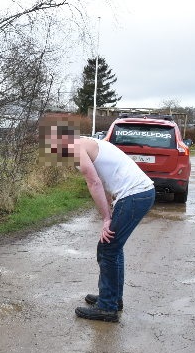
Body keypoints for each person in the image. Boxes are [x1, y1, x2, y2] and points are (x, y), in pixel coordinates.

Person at [48, 122, 155, 322]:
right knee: (113, 247)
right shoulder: (87, 144)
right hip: (139, 194)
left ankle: (107, 307)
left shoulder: (76, 148)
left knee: (108, 248)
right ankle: (113, 298)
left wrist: (106, 218)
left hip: (135, 194)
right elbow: (104, 185)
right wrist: (109, 211)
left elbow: (94, 182)